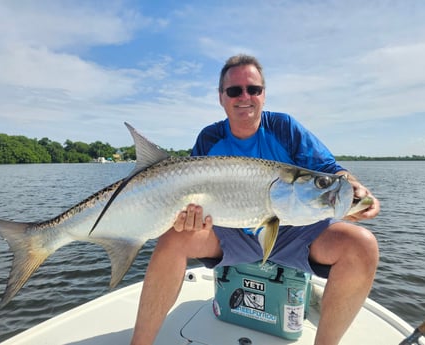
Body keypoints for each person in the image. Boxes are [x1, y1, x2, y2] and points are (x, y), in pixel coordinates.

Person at [130, 54, 380, 345]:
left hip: (294, 231)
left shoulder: (285, 129)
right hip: (231, 233)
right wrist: (188, 220)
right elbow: (190, 195)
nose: (244, 97)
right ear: (221, 97)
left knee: (362, 245)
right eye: (234, 91)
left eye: (254, 89)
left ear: (264, 94)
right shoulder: (209, 138)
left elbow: (331, 171)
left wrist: (356, 189)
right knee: (173, 238)